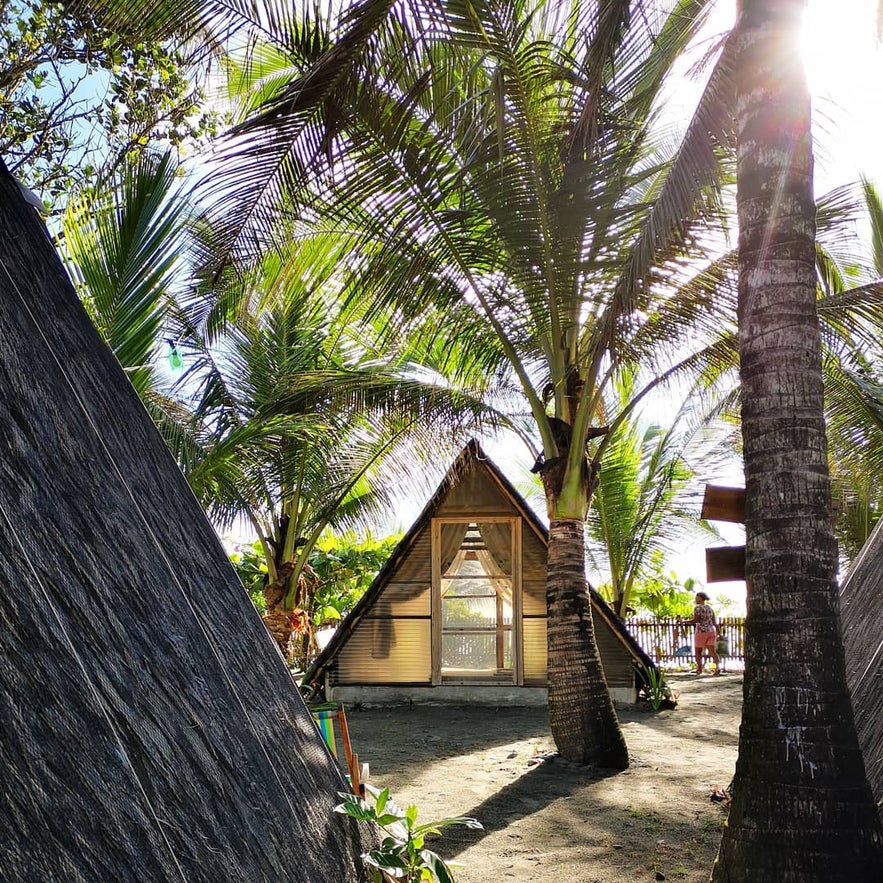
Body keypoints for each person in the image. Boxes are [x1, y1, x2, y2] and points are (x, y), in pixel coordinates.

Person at [682, 591, 720, 675]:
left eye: (696, 597)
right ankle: (717, 667)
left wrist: (684, 622)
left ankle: (699, 669)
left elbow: (696, 620)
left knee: (698, 651)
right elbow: (715, 622)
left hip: (701, 632)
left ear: (700, 598)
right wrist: (719, 633)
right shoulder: (710, 608)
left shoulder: (697, 608)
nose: (695, 599)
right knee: (712, 651)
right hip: (711, 631)